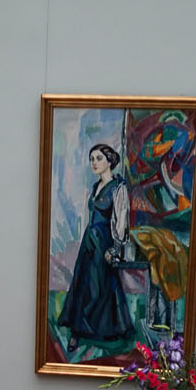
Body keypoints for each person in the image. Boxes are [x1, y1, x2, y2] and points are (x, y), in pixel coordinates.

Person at [56, 142, 132, 349]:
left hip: (105, 243)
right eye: (91, 159)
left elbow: (121, 220)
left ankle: (102, 331)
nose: (94, 163)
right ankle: (77, 332)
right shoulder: (95, 187)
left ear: (109, 161)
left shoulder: (118, 188)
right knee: (82, 285)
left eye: (99, 158)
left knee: (101, 287)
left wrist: (115, 249)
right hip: (89, 242)